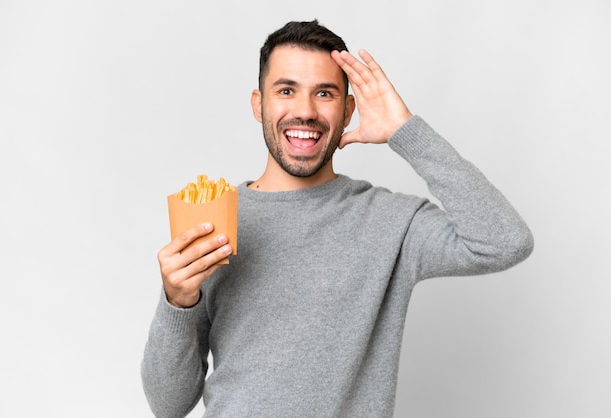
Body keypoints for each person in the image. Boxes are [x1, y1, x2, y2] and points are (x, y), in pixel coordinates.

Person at [141, 20, 534, 418]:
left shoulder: (391, 222)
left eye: (324, 93)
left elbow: (504, 241)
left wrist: (406, 132)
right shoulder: (214, 220)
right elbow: (168, 406)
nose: (305, 111)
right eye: (286, 90)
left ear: (348, 110)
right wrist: (177, 301)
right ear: (259, 104)